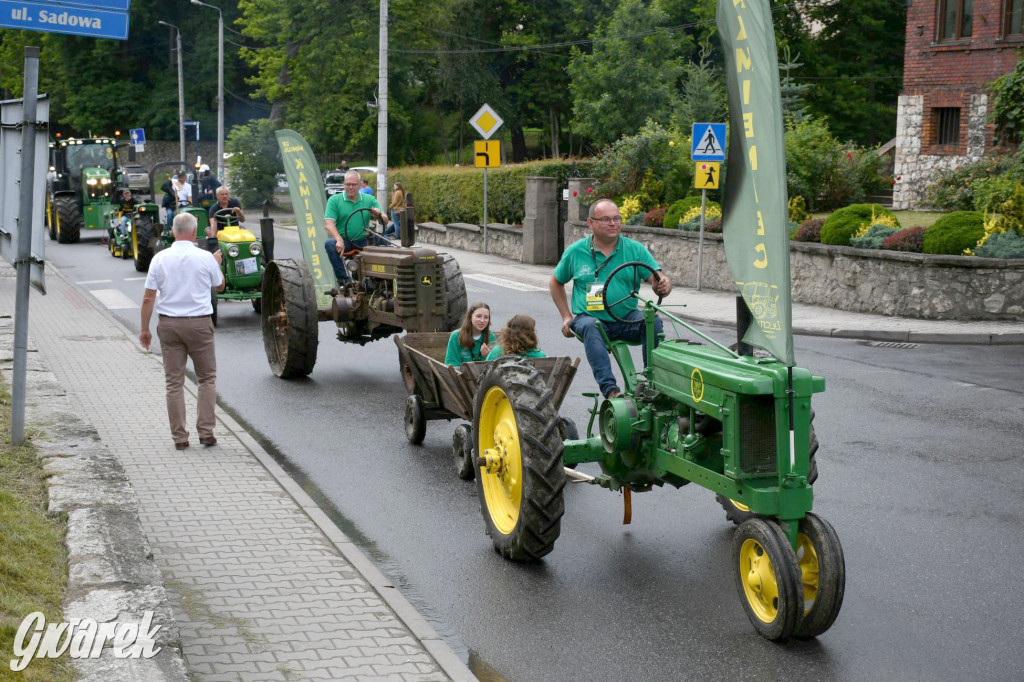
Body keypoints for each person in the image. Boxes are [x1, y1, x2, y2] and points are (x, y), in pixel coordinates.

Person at [550, 198, 672, 399]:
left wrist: (663, 285)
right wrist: (566, 317)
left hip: (626, 318)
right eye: (606, 219)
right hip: (589, 317)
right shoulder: (576, 251)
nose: (613, 223)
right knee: (591, 325)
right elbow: (555, 282)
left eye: (616, 218)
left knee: (653, 322)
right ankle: (611, 391)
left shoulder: (634, 249)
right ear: (591, 223)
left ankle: (652, 383)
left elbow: (657, 278)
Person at [139, 212, 225, 450]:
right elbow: (220, 285)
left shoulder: (160, 258)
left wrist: (144, 329)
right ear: (195, 231)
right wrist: (216, 265)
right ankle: (206, 432)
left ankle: (180, 437)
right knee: (207, 378)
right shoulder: (206, 257)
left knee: (174, 383)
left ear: (173, 231)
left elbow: (148, 297)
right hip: (199, 324)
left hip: (169, 325)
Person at [323, 170, 390, 281]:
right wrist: (338, 239)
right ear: (343, 185)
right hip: (346, 241)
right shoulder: (334, 200)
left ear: (360, 185)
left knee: (387, 242)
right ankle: (344, 280)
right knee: (330, 244)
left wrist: (378, 215)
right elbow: (328, 224)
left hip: (364, 239)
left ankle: (385, 278)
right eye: (348, 184)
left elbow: (385, 220)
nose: (351, 187)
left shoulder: (369, 199)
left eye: (354, 184)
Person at [445, 302, 495, 366]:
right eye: (478, 316)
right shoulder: (456, 336)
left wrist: (489, 356)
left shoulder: (491, 336)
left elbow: (496, 366)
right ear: (470, 317)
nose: (482, 320)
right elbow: (452, 363)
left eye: (486, 317)